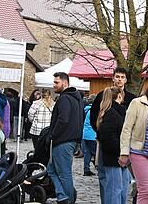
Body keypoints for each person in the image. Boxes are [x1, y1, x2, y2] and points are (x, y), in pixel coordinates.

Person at [90, 66, 137, 201]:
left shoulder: (131, 98)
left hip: (125, 144)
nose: (119, 79)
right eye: (117, 76)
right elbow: (94, 117)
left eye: (122, 77)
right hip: (108, 142)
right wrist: (102, 133)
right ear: (113, 78)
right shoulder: (102, 95)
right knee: (106, 178)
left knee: (123, 182)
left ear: (126, 80)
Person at [120, 79, 148, 204]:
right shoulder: (137, 103)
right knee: (144, 189)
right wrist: (124, 152)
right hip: (138, 150)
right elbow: (127, 128)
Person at [47, 72, 84, 204]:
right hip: (71, 140)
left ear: (65, 83)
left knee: (64, 174)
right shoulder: (77, 98)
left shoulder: (64, 98)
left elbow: (63, 119)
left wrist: (53, 134)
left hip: (63, 141)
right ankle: (62, 195)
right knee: (51, 169)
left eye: (57, 82)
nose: (54, 85)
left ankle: (67, 199)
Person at [99, 87, 130, 204]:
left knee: (121, 189)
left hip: (120, 155)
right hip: (114, 157)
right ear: (119, 96)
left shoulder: (118, 112)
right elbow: (108, 139)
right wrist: (122, 151)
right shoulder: (111, 113)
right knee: (114, 189)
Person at [82, 95, 97, 176]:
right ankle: (100, 169)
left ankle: (86, 169)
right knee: (96, 153)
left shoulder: (85, 109)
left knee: (87, 153)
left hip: (85, 134)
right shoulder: (94, 111)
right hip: (92, 135)